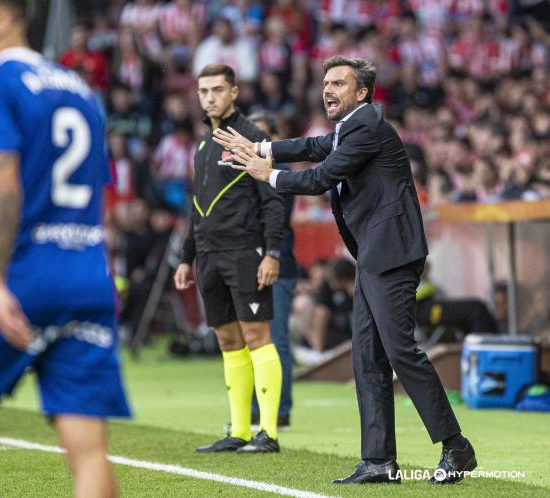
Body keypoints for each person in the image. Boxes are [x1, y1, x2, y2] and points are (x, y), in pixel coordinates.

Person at [213, 56, 476, 484]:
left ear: (361, 93)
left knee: (399, 351)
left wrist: (269, 174)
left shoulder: (368, 128)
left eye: (338, 82)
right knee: (366, 358)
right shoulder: (348, 129)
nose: (327, 89)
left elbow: (320, 177)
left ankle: (455, 446)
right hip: (374, 254)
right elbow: (311, 147)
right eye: (325, 82)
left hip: (391, 252)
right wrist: (259, 147)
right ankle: (378, 461)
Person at [0, 1, 130, 497]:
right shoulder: (81, 90)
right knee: (87, 447)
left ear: (3, 18)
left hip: (24, 274)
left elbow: (2, 181)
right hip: (87, 274)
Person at [173, 63, 284, 453]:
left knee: (257, 335)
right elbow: (196, 207)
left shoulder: (253, 138)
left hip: (244, 252)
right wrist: (187, 257)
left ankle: (267, 433)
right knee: (226, 338)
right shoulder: (204, 144)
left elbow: (273, 199)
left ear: (234, 93)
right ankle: (238, 430)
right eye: (203, 91)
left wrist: (272, 253)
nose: (209, 98)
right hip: (209, 255)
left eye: (217, 90)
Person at [248, 111, 296, 430]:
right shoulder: (242, 172)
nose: (257, 142)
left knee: (276, 337)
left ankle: (280, 409)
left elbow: (275, 217)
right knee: (253, 337)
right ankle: (255, 407)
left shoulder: (282, 173)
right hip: (248, 264)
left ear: (275, 139)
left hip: (278, 265)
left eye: (263, 136)